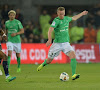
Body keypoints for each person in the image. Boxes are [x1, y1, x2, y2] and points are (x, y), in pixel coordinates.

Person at [37, 7, 88, 80]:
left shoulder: (66, 18)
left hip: (66, 43)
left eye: (63, 14)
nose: (61, 15)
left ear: (64, 13)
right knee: (49, 61)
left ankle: (73, 75)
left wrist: (82, 14)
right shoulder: (56, 20)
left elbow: (74, 18)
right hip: (57, 44)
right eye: (60, 14)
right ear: (57, 14)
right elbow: (50, 29)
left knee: (73, 55)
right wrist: (49, 40)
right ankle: (43, 64)